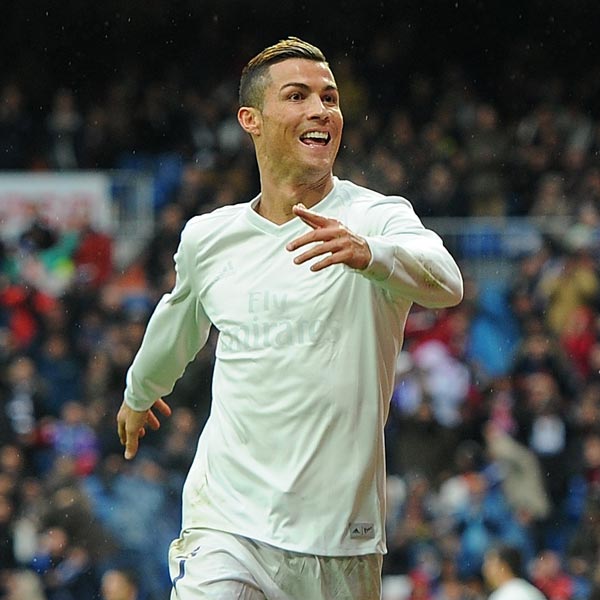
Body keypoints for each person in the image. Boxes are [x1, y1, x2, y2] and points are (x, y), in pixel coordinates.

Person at [116, 36, 463, 600]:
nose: (320, 110)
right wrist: (138, 393)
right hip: (226, 520)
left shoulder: (376, 217)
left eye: (330, 97)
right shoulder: (210, 237)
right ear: (250, 120)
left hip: (339, 537)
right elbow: (177, 323)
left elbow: (447, 282)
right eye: (298, 96)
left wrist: (370, 254)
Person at [482, 544, 547, 600]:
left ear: (503, 567)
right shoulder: (532, 591)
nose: (485, 568)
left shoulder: (503, 596)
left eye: (490, 563)